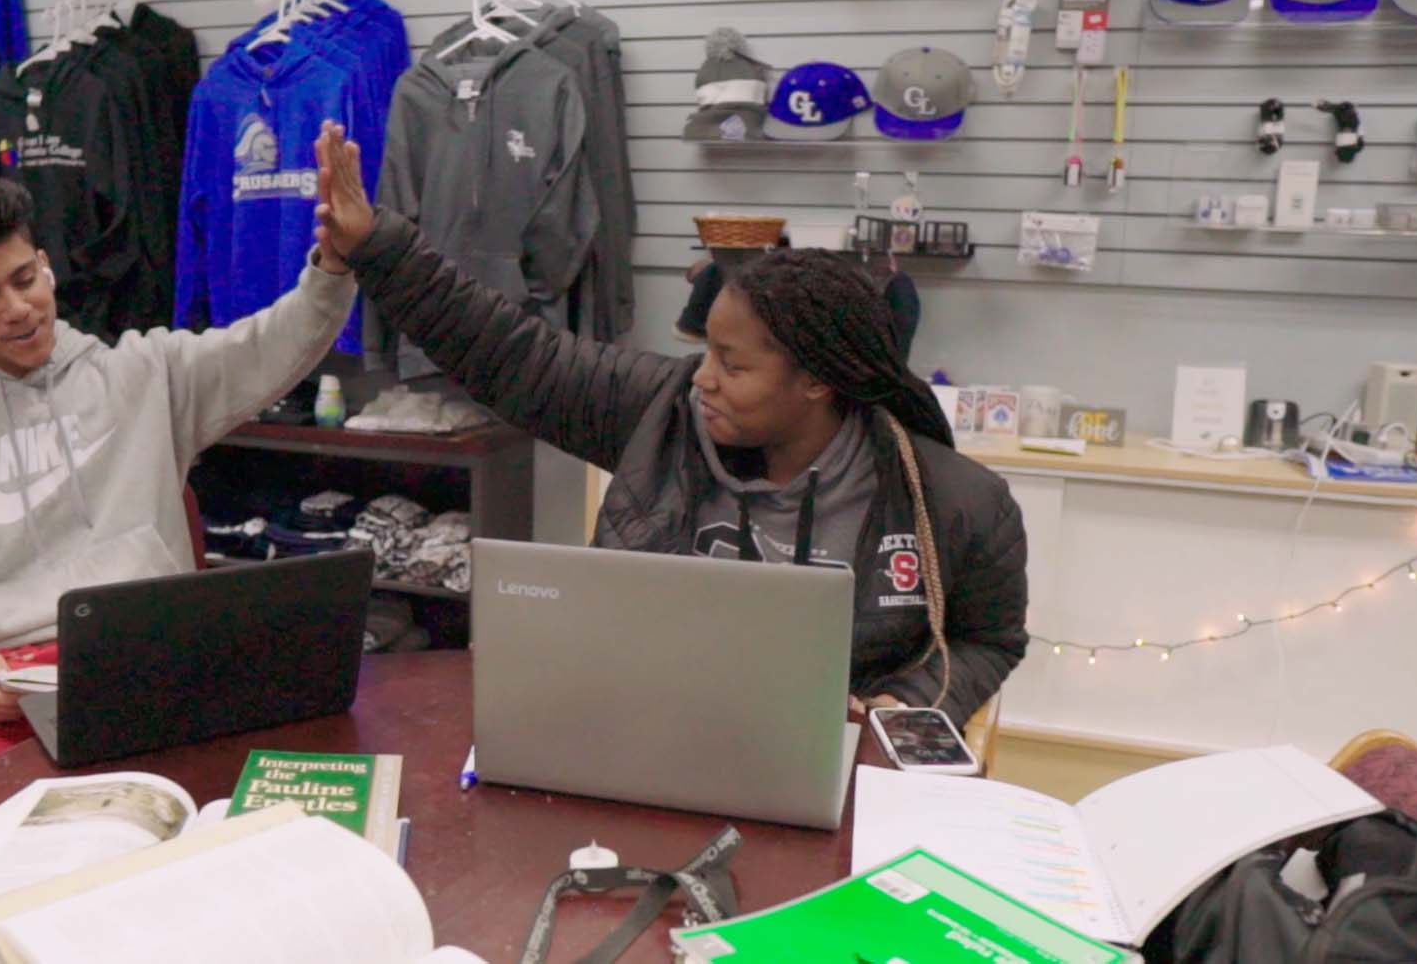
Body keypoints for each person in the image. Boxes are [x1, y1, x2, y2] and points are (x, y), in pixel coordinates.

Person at [311, 121, 1026, 728]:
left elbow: (988, 638)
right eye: (705, 352)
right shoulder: (662, 406)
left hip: (837, 768)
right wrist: (378, 245)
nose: (703, 379)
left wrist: (902, 705)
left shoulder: (953, 499)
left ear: (818, 381)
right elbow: (506, 350)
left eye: (733, 365)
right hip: (643, 726)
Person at [0, 179, 356, 866]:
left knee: (302, 796)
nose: (17, 309)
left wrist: (335, 265)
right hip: (11, 685)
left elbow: (272, 344)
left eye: (25, 279)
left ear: (45, 265)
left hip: (160, 655)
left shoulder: (146, 372)